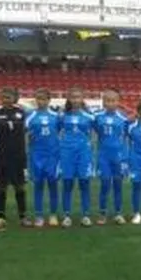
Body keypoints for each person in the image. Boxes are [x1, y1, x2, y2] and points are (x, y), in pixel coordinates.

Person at [0, 87, 31, 228]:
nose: (6, 99)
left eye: (9, 97)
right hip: (1, 155)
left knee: (19, 187)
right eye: (4, 96)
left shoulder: (22, 113)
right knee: (1, 187)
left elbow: (27, 132)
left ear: (15, 98)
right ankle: (1, 216)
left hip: (18, 155)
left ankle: (23, 217)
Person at [59, 87, 96, 227]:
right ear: (68, 99)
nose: (75, 100)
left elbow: (97, 131)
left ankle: (85, 215)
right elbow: (55, 130)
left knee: (84, 183)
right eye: (72, 97)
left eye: (78, 97)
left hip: (83, 154)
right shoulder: (62, 116)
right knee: (67, 183)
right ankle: (67, 215)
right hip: (67, 153)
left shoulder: (89, 116)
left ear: (82, 99)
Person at [26, 88, 61, 227]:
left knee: (53, 186)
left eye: (44, 99)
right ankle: (39, 216)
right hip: (36, 156)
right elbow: (25, 133)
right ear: (35, 100)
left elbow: (61, 131)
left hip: (53, 156)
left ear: (49, 100)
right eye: (38, 98)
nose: (41, 101)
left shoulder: (56, 116)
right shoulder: (30, 116)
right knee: (38, 186)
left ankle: (53, 215)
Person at [93, 88, 129, 225]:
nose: (110, 103)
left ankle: (118, 213)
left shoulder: (123, 118)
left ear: (118, 102)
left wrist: (125, 158)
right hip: (104, 156)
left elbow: (126, 137)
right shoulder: (97, 117)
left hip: (118, 156)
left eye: (113, 100)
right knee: (105, 184)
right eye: (107, 100)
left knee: (118, 185)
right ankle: (102, 214)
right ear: (103, 102)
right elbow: (96, 131)